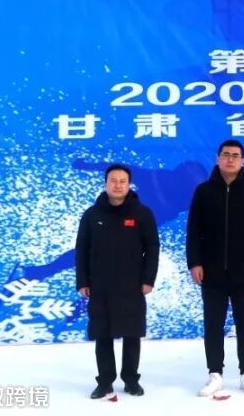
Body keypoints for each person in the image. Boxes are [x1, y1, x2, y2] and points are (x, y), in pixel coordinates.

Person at [186, 140, 244, 396]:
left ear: (242, 161)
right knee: (213, 324)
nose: (231, 159)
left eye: (236, 155)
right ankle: (215, 373)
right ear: (218, 158)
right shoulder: (203, 191)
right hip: (211, 271)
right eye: (226, 155)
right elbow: (193, 230)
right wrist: (195, 262)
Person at [75, 164, 159, 399]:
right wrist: (82, 281)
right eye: (113, 180)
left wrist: (148, 279)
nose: (118, 185)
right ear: (105, 184)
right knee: (102, 334)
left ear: (129, 184)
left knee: (132, 334)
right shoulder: (92, 215)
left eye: (123, 181)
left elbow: (152, 248)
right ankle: (105, 382)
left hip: (132, 284)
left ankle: (131, 380)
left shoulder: (142, 214)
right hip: (99, 284)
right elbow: (82, 250)